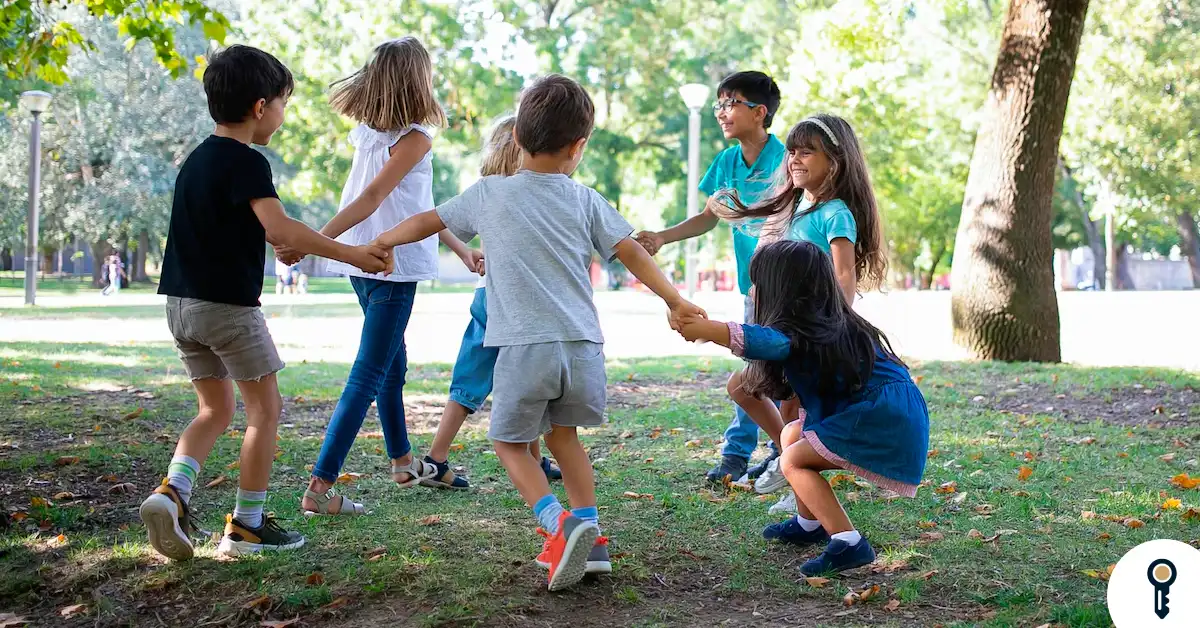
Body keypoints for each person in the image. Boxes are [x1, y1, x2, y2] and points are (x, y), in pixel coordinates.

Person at [370, 74, 705, 591]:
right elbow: (632, 250)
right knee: (564, 439)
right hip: (583, 349)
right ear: (579, 147)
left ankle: (559, 524)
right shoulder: (585, 198)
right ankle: (592, 539)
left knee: (507, 441)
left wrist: (384, 241)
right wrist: (676, 299)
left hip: (525, 348)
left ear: (517, 140)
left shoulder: (489, 194)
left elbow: (428, 221)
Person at [138, 44, 391, 560]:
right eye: (282, 103)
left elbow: (255, 233)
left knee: (214, 408)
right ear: (260, 108)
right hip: (228, 310)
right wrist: (352, 253)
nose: (281, 114)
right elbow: (279, 228)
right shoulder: (248, 162)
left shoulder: (195, 162)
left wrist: (289, 243)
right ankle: (247, 525)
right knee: (264, 411)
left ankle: (173, 492)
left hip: (180, 308)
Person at [283, 37, 483, 517]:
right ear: (419, 80)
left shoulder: (370, 135)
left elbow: (417, 207)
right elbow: (373, 198)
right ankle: (320, 485)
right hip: (390, 266)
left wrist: (459, 245)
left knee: (393, 364)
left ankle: (401, 461)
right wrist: (311, 239)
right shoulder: (413, 138)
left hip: (363, 262)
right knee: (370, 372)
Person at [677, 240, 928, 575]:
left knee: (793, 459)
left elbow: (768, 341)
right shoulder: (824, 325)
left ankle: (849, 543)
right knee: (792, 435)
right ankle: (809, 524)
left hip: (882, 417)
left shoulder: (804, 333)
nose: (752, 291)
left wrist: (712, 331)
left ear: (784, 290)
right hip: (883, 413)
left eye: (758, 283)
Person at [712, 114, 887, 508]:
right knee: (743, 388)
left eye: (808, 151)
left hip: (812, 332)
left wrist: (838, 324)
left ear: (835, 162)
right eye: (792, 151)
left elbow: (844, 274)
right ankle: (785, 457)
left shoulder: (836, 212)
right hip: (783, 327)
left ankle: (798, 484)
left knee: (794, 407)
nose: (795, 158)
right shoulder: (795, 207)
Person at [635, 71, 786, 485]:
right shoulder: (726, 163)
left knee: (761, 371)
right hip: (752, 288)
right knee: (755, 369)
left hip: (788, 289)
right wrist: (662, 237)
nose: (721, 112)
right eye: (718, 104)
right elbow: (707, 218)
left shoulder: (788, 159)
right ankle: (776, 450)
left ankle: (750, 454)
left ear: (759, 113)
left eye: (730, 103)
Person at [420, 115, 562, 492]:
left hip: (487, 296)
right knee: (525, 376)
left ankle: (438, 457)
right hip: (515, 301)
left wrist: (468, 251)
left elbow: (439, 219)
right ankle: (441, 459)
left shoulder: (487, 189)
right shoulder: (532, 191)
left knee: (476, 377)